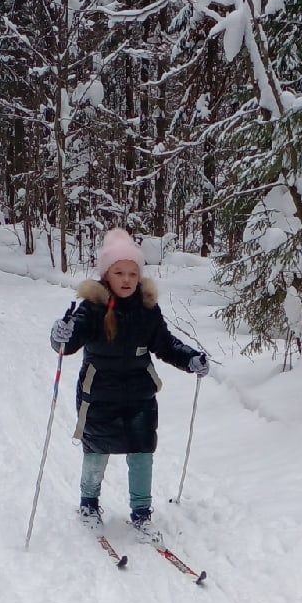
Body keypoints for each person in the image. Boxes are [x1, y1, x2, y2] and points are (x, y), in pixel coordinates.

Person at [50, 228, 208, 532]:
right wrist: (60, 335)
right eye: (119, 272)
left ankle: (141, 512)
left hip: (139, 395)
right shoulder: (92, 308)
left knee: (142, 452)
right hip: (98, 395)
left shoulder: (147, 309)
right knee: (96, 451)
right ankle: (88, 504)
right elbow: (67, 345)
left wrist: (190, 358)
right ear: (107, 274)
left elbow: (165, 344)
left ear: (139, 276)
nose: (126, 280)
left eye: (132, 274)